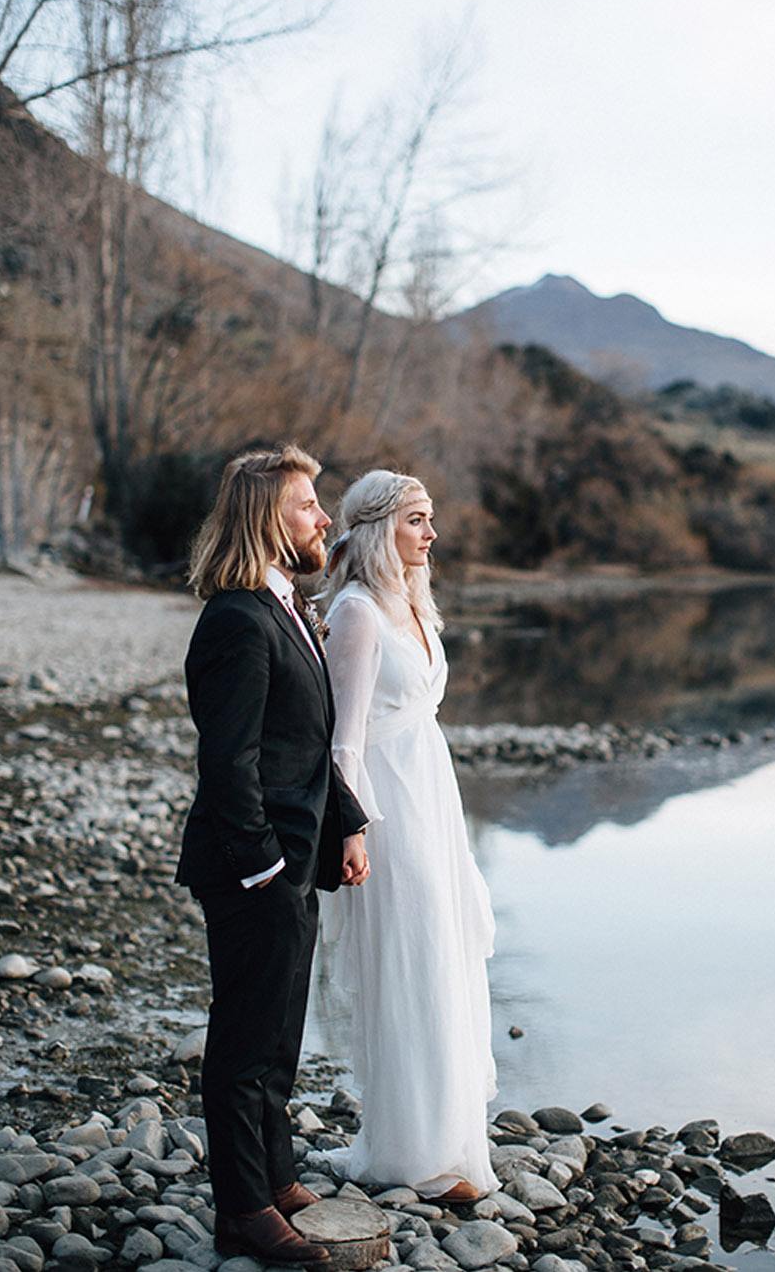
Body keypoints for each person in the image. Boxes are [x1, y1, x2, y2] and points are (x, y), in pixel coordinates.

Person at [176, 445, 371, 1265]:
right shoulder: (235, 619)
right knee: (244, 1040)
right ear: (266, 518)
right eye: (307, 506)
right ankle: (243, 1209)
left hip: (292, 859)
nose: (324, 518)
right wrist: (265, 867)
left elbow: (308, 740)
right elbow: (230, 762)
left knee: (280, 1031)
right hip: (253, 866)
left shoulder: (288, 606)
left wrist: (348, 823)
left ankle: (276, 1173)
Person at [320, 469, 498, 1202]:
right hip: (388, 809)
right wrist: (351, 830)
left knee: (447, 955)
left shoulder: (412, 603)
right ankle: (410, 1153)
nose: (432, 534)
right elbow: (345, 741)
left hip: (434, 795)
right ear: (377, 529)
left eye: (431, 519)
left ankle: (449, 1138)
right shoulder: (357, 613)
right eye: (417, 520)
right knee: (410, 962)